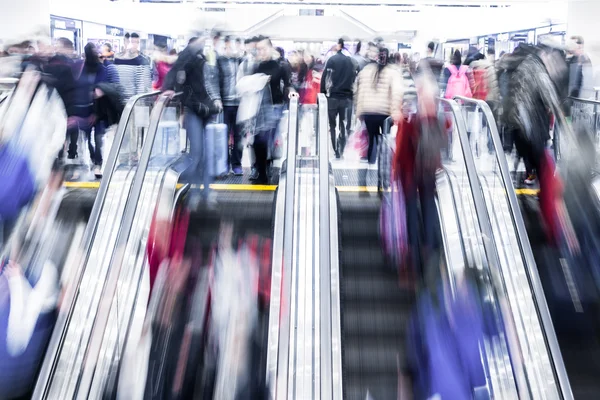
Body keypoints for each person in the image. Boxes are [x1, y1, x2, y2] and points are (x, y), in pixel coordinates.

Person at [162, 36, 223, 207]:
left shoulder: (204, 59)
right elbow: (175, 72)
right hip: (194, 111)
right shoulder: (188, 59)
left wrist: (218, 100)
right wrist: (167, 89)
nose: (203, 45)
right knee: (197, 154)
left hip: (207, 110)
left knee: (206, 154)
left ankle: (205, 191)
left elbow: (214, 83)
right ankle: (196, 192)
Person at [252, 36, 293, 183]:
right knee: (260, 140)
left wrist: (290, 96)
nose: (261, 52)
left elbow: (288, 84)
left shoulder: (280, 65)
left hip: (275, 106)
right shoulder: (257, 66)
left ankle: (264, 169)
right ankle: (262, 170)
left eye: (263, 49)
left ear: (270, 48)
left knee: (265, 138)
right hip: (260, 107)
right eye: (259, 49)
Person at [354, 45, 403, 165]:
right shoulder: (393, 72)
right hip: (385, 114)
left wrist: (359, 111)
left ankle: (371, 163)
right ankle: (383, 164)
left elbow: (359, 91)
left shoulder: (366, 70)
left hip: (369, 112)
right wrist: (395, 112)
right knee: (385, 139)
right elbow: (397, 93)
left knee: (372, 139)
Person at [76, 43, 108, 177]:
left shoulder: (98, 68)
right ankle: (96, 163)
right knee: (92, 138)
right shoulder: (88, 67)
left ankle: (97, 163)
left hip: (96, 108)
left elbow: (100, 90)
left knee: (95, 137)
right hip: (89, 107)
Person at [321, 38, 356, 158]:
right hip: (346, 98)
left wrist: (323, 93)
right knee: (343, 124)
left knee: (332, 125)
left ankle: (335, 149)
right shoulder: (350, 61)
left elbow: (325, 78)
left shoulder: (331, 60)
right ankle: (341, 149)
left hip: (332, 98)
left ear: (339, 46)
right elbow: (353, 79)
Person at [217, 36, 243, 175]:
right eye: (228, 46)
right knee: (223, 135)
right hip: (225, 103)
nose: (231, 49)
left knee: (239, 136)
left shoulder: (243, 61)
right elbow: (215, 81)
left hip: (240, 104)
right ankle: (224, 165)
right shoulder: (219, 61)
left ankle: (237, 164)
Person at [114, 32, 151, 103]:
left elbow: (142, 88)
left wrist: (138, 105)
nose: (134, 45)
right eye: (131, 42)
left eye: (136, 42)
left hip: (132, 103)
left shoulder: (142, 61)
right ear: (125, 42)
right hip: (116, 102)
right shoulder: (117, 59)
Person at [567, 35, 593, 105]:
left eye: (572, 44)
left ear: (580, 46)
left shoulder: (585, 59)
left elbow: (586, 84)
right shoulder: (572, 59)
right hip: (571, 99)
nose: (570, 46)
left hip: (581, 102)